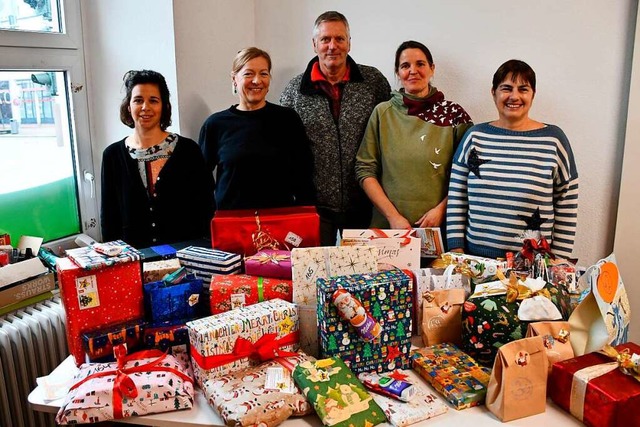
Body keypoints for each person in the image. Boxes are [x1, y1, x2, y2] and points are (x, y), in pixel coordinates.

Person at [446, 59, 579, 259]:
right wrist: (457, 252)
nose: (514, 96)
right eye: (506, 88)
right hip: (475, 262)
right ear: (494, 92)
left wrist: (559, 261)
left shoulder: (553, 141)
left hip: (533, 266)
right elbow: (457, 197)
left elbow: (567, 205)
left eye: (523, 89)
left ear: (533, 94)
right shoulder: (474, 137)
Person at [280, 11, 391, 245]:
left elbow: (390, 129)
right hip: (314, 205)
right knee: (316, 273)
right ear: (314, 44)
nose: (333, 46)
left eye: (340, 39)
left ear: (349, 43)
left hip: (365, 200)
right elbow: (285, 150)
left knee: (362, 273)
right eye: (325, 39)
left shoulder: (373, 82)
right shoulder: (294, 91)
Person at [355, 40, 473, 231]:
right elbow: (364, 169)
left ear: (432, 68)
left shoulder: (454, 115)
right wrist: (393, 217)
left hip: (440, 229)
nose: (413, 70)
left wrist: (442, 210)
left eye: (420, 64)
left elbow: (470, 171)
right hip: (389, 230)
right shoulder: (382, 113)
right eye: (405, 66)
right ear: (397, 73)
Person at [101, 69, 214, 248]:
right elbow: (109, 218)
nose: (145, 107)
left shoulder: (188, 150)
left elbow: (206, 209)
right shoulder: (112, 155)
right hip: (135, 261)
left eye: (153, 100)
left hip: (186, 258)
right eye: (138, 100)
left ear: (164, 107)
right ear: (129, 107)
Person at [199, 47, 315, 210]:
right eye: (248, 74)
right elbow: (201, 182)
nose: (257, 80)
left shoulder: (287, 119)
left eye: (263, 73)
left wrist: (304, 216)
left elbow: (304, 173)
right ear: (234, 78)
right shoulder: (215, 125)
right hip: (233, 223)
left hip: (279, 221)